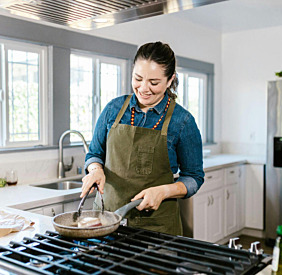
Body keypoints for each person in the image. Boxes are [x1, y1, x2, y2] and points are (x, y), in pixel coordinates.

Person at [79, 41, 204, 236]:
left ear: (170, 80)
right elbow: (95, 153)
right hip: (107, 221)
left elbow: (194, 178)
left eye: (154, 83)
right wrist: (95, 170)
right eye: (138, 79)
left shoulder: (183, 121)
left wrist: (163, 192)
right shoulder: (113, 109)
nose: (144, 88)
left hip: (156, 228)